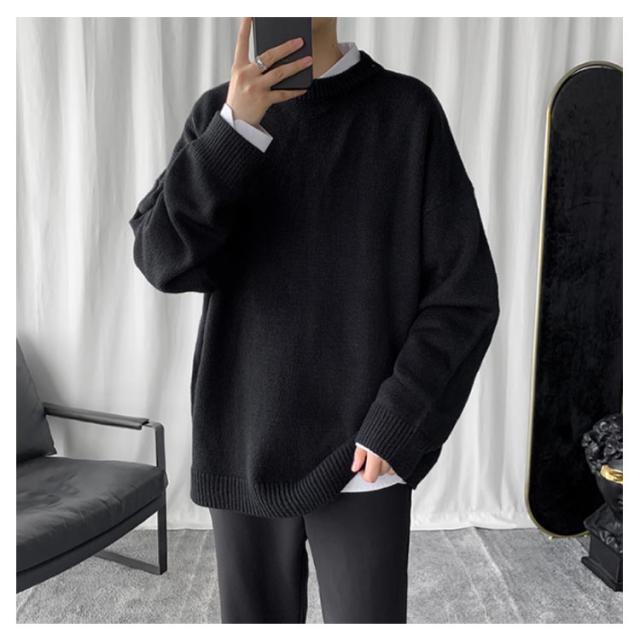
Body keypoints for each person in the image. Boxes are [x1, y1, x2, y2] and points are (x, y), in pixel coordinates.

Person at [129, 17, 500, 624]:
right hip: (244, 442)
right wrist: (234, 131)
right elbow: (161, 259)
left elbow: (465, 294)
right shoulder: (219, 117)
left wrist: (399, 420)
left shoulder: (406, 113)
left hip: (363, 454)